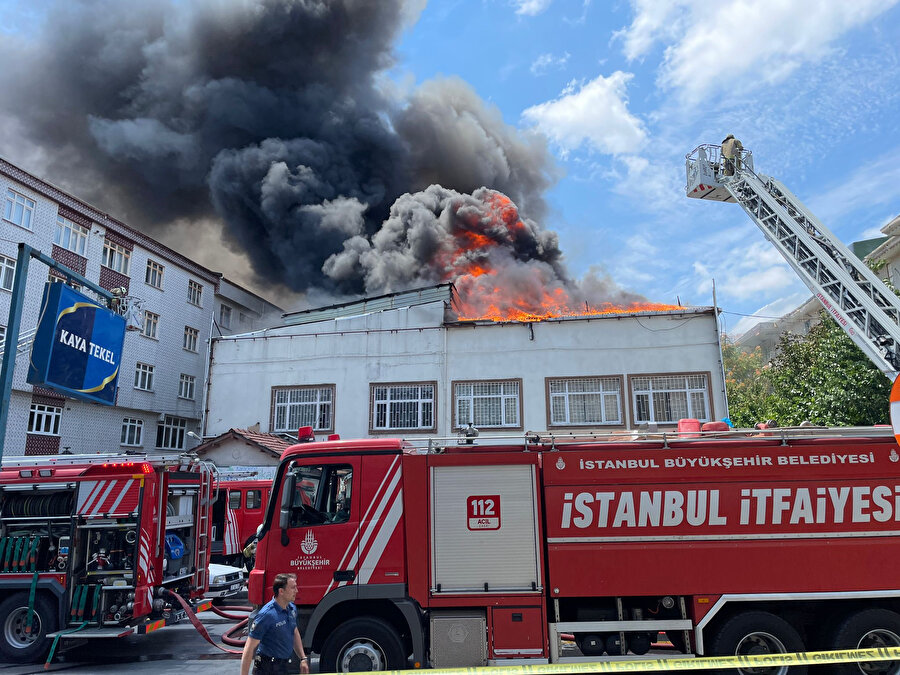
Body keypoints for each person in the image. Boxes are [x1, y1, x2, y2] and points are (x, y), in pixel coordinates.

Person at [240, 573, 309, 675]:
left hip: (283, 666)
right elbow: (249, 648)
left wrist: (303, 658)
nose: (297, 591)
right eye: (293, 588)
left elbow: (294, 632)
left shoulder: (291, 608)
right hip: (266, 668)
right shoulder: (267, 615)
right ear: (281, 591)